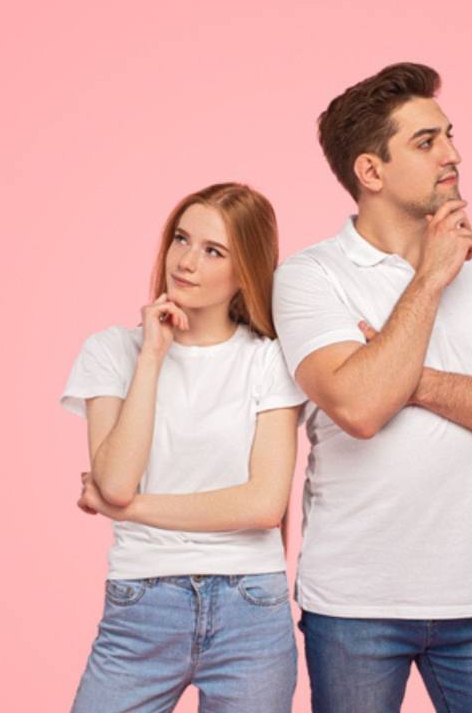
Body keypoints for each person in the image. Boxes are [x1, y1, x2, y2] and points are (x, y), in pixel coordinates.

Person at [272, 63, 472, 712]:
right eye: (425, 142)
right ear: (370, 171)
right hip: (355, 606)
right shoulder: (309, 277)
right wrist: (431, 278)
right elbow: (357, 407)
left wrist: (404, 373)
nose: (452, 155)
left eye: (449, 136)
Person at [61, 182, 305, 713]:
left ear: (245, 272)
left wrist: (129, 509)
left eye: (213, 251)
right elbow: (117, 480)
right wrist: (151, 356)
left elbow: (263, 505)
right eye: (181, 239)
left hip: (250, 611)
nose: (186, 261)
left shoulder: (267, 360)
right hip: (141, 605)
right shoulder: (111, 351)